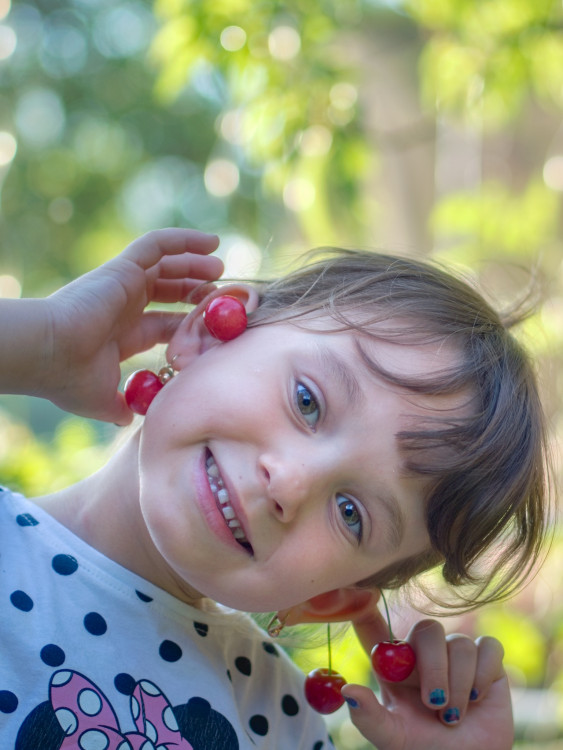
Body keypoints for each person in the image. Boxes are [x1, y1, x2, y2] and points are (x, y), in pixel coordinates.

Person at [0, 228, 548, 750]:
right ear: (214, 329)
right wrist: (45, 343)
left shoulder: (280, 721)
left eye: (351, 512)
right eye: (307, 401)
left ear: (329, 597)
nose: (292, 481)